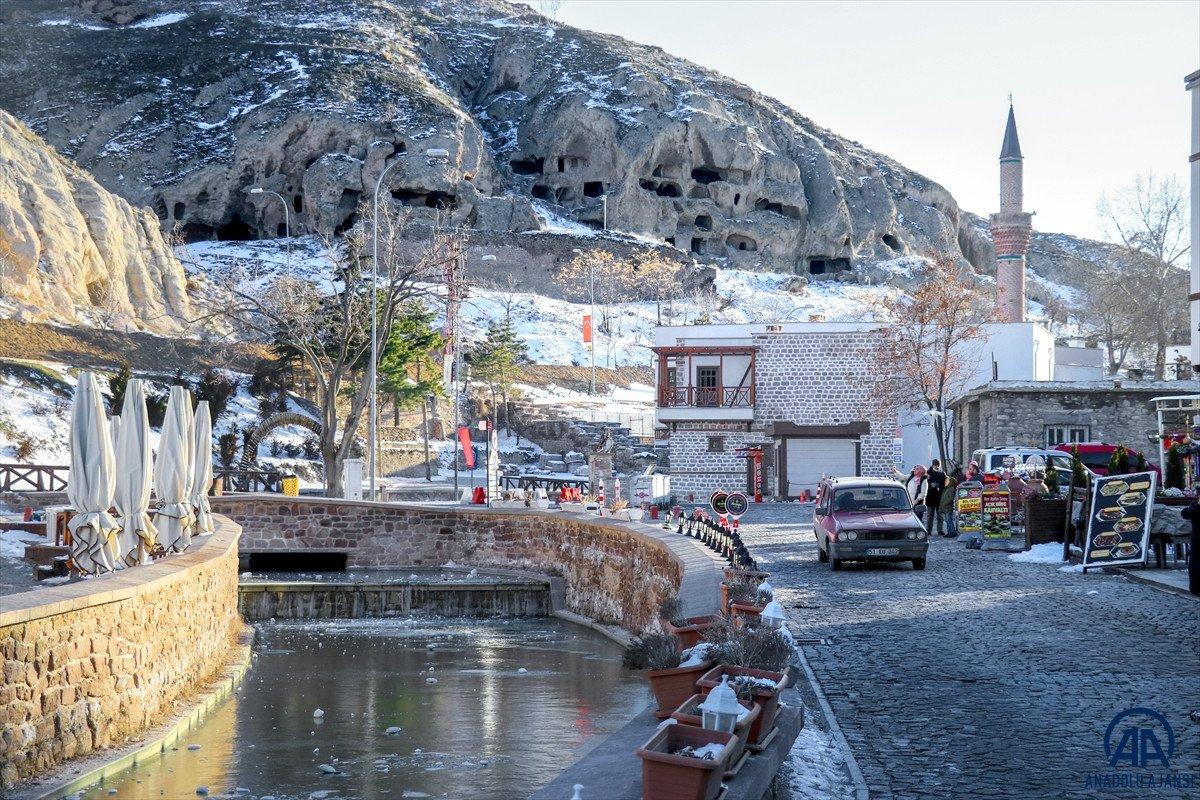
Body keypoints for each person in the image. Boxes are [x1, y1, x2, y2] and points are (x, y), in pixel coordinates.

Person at [1181, 500, 1200, 596]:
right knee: (1195, 564)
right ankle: (1195, 588)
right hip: (1197, 540)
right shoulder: (1195, 508)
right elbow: (1185, 513)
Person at [925, 459, 948, 536]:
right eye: (935, 465)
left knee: (940, 515)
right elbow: (925, 484)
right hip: (930, 496)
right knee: (930, 515)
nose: (937, 467)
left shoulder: (942, 473)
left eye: (938, 465)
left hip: (939, 496)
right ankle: (928, 530)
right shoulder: (928, 473)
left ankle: (940, 530)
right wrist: (931, 485)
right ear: (933, 465)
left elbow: (945, 484)